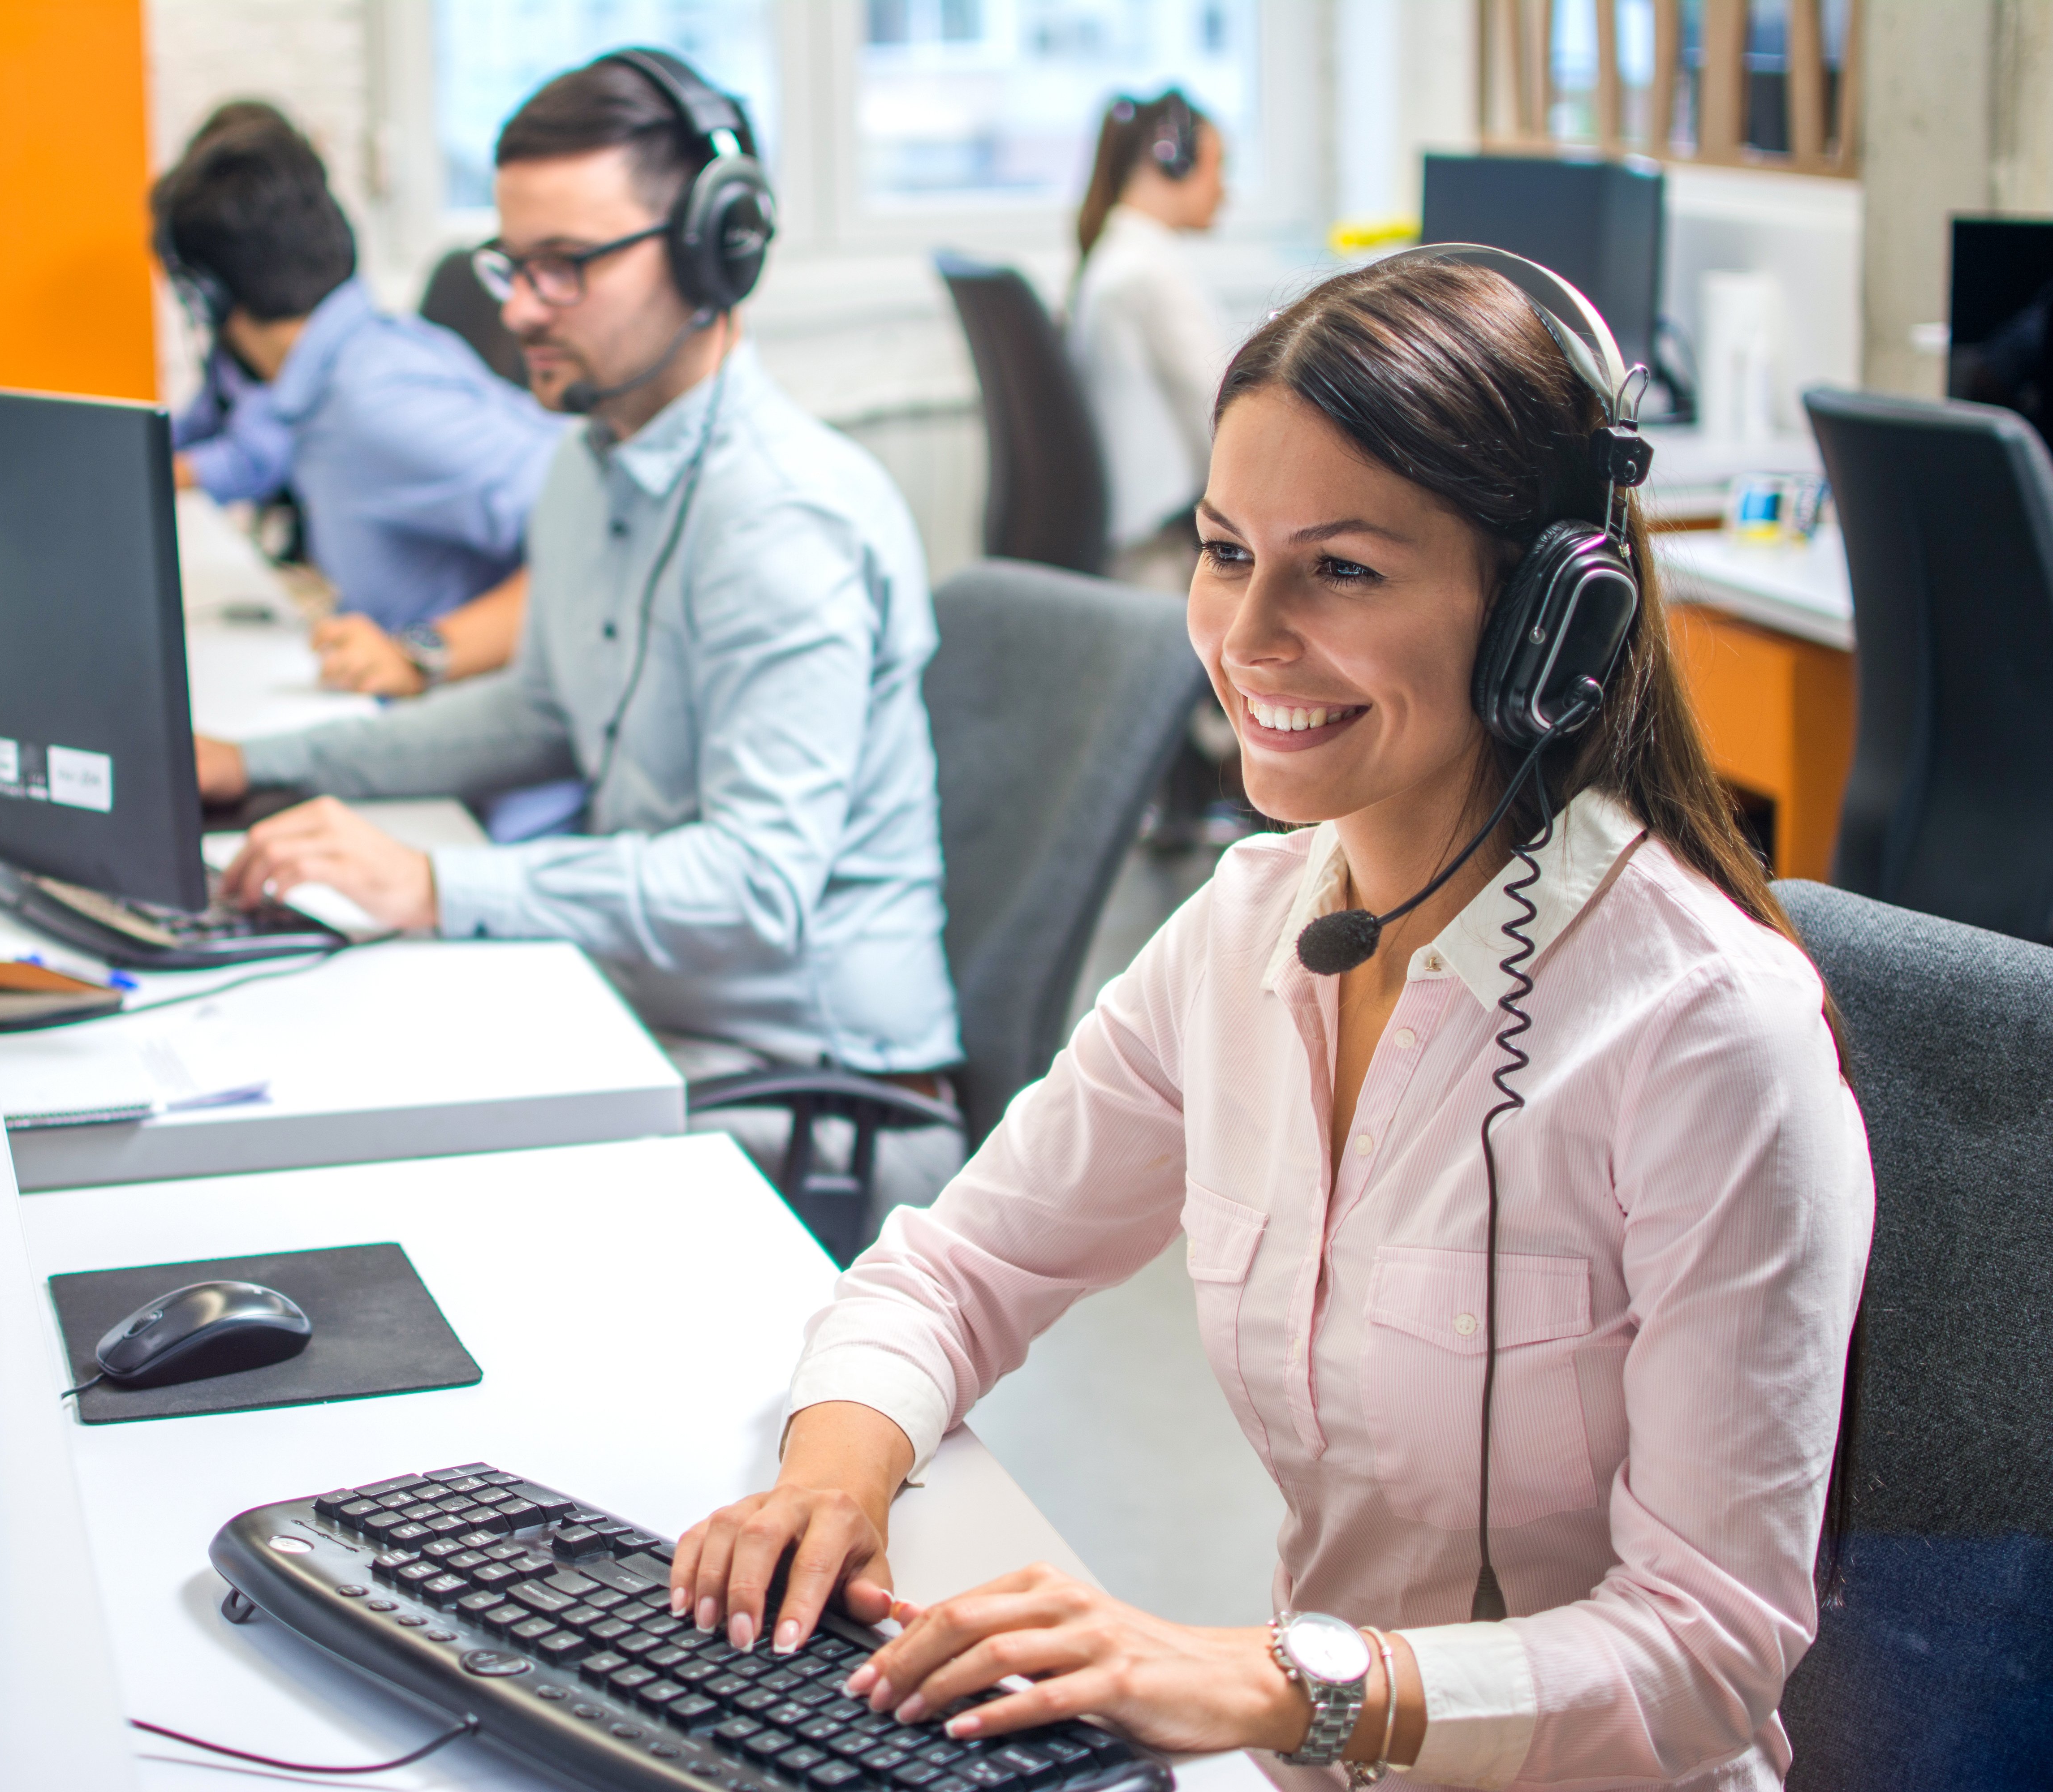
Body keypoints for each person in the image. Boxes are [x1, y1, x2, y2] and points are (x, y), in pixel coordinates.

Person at [668, 253, 1873, 1790]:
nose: (1247, 636)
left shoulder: (1707, 1034)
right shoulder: (1247, 931)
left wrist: (1258, 1680)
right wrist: (830, 1470)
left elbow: (1707, 1650)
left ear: (1542, 622)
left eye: (1344, 571)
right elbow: (967, 1262)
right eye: (1226, 552)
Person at [200, 52, 963, 1203]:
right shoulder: (589, 463)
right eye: (513, 263)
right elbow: (543, 713)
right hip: (655, 1013)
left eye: (566, 267)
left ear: (717, 252)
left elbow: (757, 883)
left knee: (359, 1160)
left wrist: (439, 884)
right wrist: (256, 768)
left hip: (815, 1097)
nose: (516, 308)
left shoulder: (780, 522)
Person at [153, 103, 563, 703]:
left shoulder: (376, 405)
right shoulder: (342, 373)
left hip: (498, 775)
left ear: (208, 297)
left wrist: (422, 654)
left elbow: (607, 537)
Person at [1069, 89, 1231, 593]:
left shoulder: (1121, 255)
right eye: (1218, 167)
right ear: (1173, 162)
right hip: (1160, 564)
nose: (1225, 191)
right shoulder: (1146, 275)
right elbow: (1227, 412)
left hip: (1141, 546)